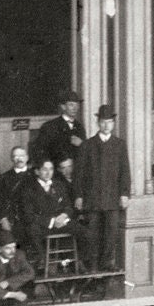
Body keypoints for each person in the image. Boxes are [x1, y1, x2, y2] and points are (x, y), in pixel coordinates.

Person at [75, 104, 131, 273]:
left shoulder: (119, 144)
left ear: (113, 123)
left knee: (111, 233)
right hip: (92, 199)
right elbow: (79, 173)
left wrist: (125, 194)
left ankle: (108, 262)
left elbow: (125, 171)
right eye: (103, 122)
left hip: (113, 198)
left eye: (110, 122)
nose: (106, 125)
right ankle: (92, 265)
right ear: (98, 123)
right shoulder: (87, 145)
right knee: (93, 233)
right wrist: (78, 195)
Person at [33, 92, 85, 169]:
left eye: (77, 105)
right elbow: (40, 153)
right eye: (71, 105)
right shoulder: (50, 126)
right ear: (63, 107)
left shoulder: (80, 127)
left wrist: (82, 144)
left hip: (75, 172)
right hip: (56, 172)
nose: (75, 108)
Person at [0, 228, 34, 306]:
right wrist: (13, 295)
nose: (12, 251)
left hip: (15, 291)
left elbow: (30, 272)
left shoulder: (19, 255)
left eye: (14, 247)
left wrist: (8, 282)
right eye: (8, 248)